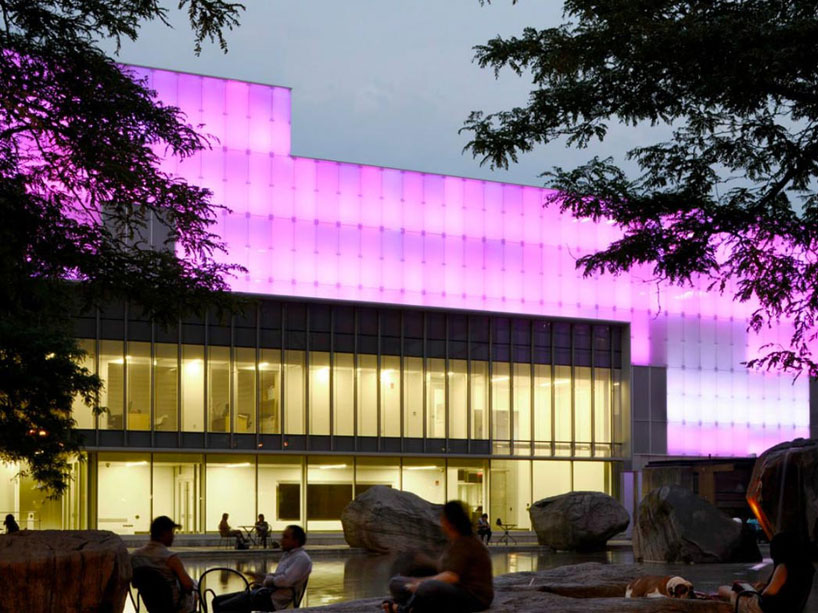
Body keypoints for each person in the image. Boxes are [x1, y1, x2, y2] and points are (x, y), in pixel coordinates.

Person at [384, 501, 493, 613]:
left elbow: (451, 576)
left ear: (450, 522)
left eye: (443, 518)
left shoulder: (467, 542)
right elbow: (443, 568)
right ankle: (414, 603)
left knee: (428, 587)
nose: (441, 521)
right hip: (451, 589)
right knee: (396, 582)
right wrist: (422, 566)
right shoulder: (454, 542)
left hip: (473, 597)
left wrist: (419, 583)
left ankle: (404, 609)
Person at [212, 525, 312, 612]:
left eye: (285, 537)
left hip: (274, 600)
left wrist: (267, 580)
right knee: (217, 601)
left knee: (223, 606)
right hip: (266, 594)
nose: (281, 540)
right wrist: (261, 577)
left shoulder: (301, 559)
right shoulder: (289, 555)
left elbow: (285, 581)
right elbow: (279, 577)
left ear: (296, 541)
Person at [717, 531, 814, 612]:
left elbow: (769, 592)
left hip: (766, 608)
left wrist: (755, 591)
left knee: (724, 589)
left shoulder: (784, 567)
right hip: (788, 608)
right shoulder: (807, 568)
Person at [131, 516, 197, 613]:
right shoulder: (170, 558)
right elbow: (188, 585)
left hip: (152, 605)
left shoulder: (135, 556)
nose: (173, 536)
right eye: (172, 532)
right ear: (164, 533)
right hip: (175, 607)